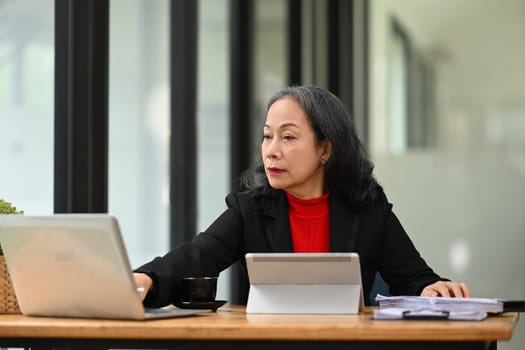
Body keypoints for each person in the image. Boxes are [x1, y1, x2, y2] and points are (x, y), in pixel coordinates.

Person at [134, 85, 470, 307]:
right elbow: (196, 256)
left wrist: (431, 289)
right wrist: (146, 278)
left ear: (325, 149)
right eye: (267, 137)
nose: (272, 152)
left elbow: (412, 275)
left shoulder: (367, 207)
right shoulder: (251, 208)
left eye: (288, 137)